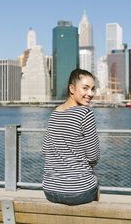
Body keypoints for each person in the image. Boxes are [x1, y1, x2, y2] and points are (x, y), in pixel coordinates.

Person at [42, 68, 100, 205]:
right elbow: (93, 156)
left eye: (92, 89)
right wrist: (90, 169)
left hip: (50, 191)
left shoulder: (54, 113)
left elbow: (45, 149)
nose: (90, 94)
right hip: (78, 192)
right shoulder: (85, 113)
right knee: (95, 180)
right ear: (72, 88)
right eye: (85, 88)